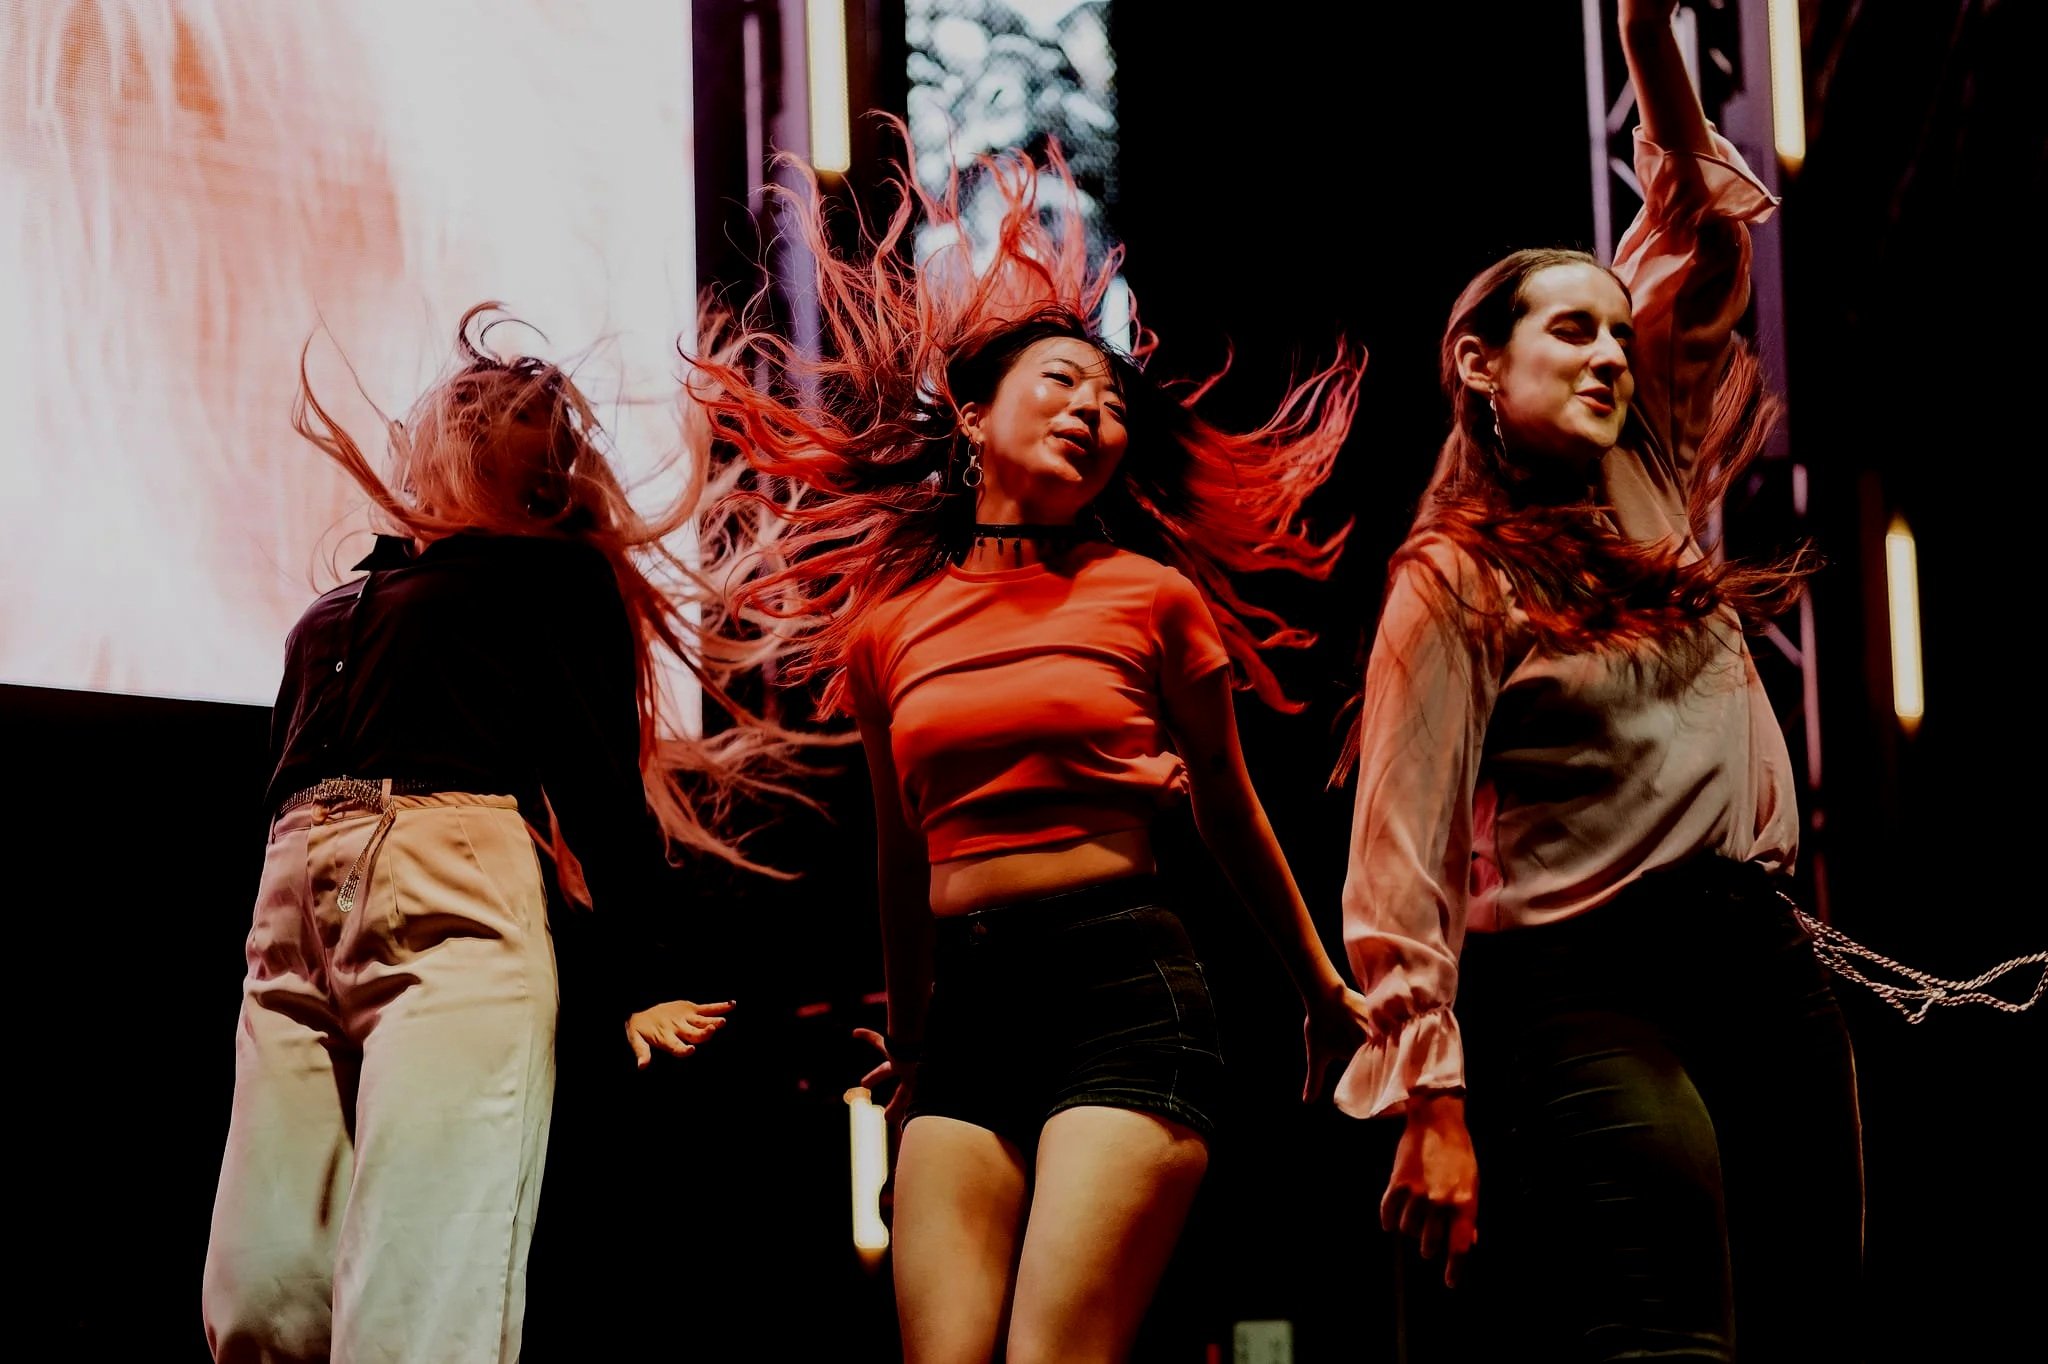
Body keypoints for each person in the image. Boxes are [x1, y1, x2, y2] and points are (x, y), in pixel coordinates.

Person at [686, 134, 1374, 1363]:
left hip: (1127, 987)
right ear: (970, 412)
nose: (1091, 413)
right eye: (1061, 383)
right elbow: (900, 860)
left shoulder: (1149, 598)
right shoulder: (889, 630)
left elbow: (1229, 811)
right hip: (967, 1013)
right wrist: (910, 1045)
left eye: (1109, 407)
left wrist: (1318, 986)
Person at [1330, 3, 1866, 1359]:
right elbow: (1400, 855)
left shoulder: (1650, 469)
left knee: (1813, 1314)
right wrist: (1431, 1097)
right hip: (1584, 979)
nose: (1612, 356)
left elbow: (1701, 228)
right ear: (1479, 363)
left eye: (1620, 335)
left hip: (1758, 951)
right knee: (1663, 1323)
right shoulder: (1448, 580)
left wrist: (1645, 35)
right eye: (1572, 332)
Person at [200, 303, 804, 1363]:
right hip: (293, 913)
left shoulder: (548, 578)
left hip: (452, 900)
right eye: (482, 403)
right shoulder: (347, 600)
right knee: (261, 1298)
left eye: (534, 416)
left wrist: (637, 979)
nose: (504, 412)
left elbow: (597, 782)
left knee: (419, 1291)